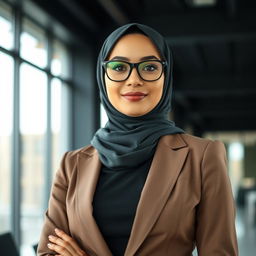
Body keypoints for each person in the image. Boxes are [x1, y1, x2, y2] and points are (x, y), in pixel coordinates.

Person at [37, 23, 238, 256]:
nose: (134, 79)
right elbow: (48, 252)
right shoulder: (71, 164)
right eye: (119, 67)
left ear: (167, 76)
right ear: (103, 77)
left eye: (150, 67)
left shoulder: (202, 156)